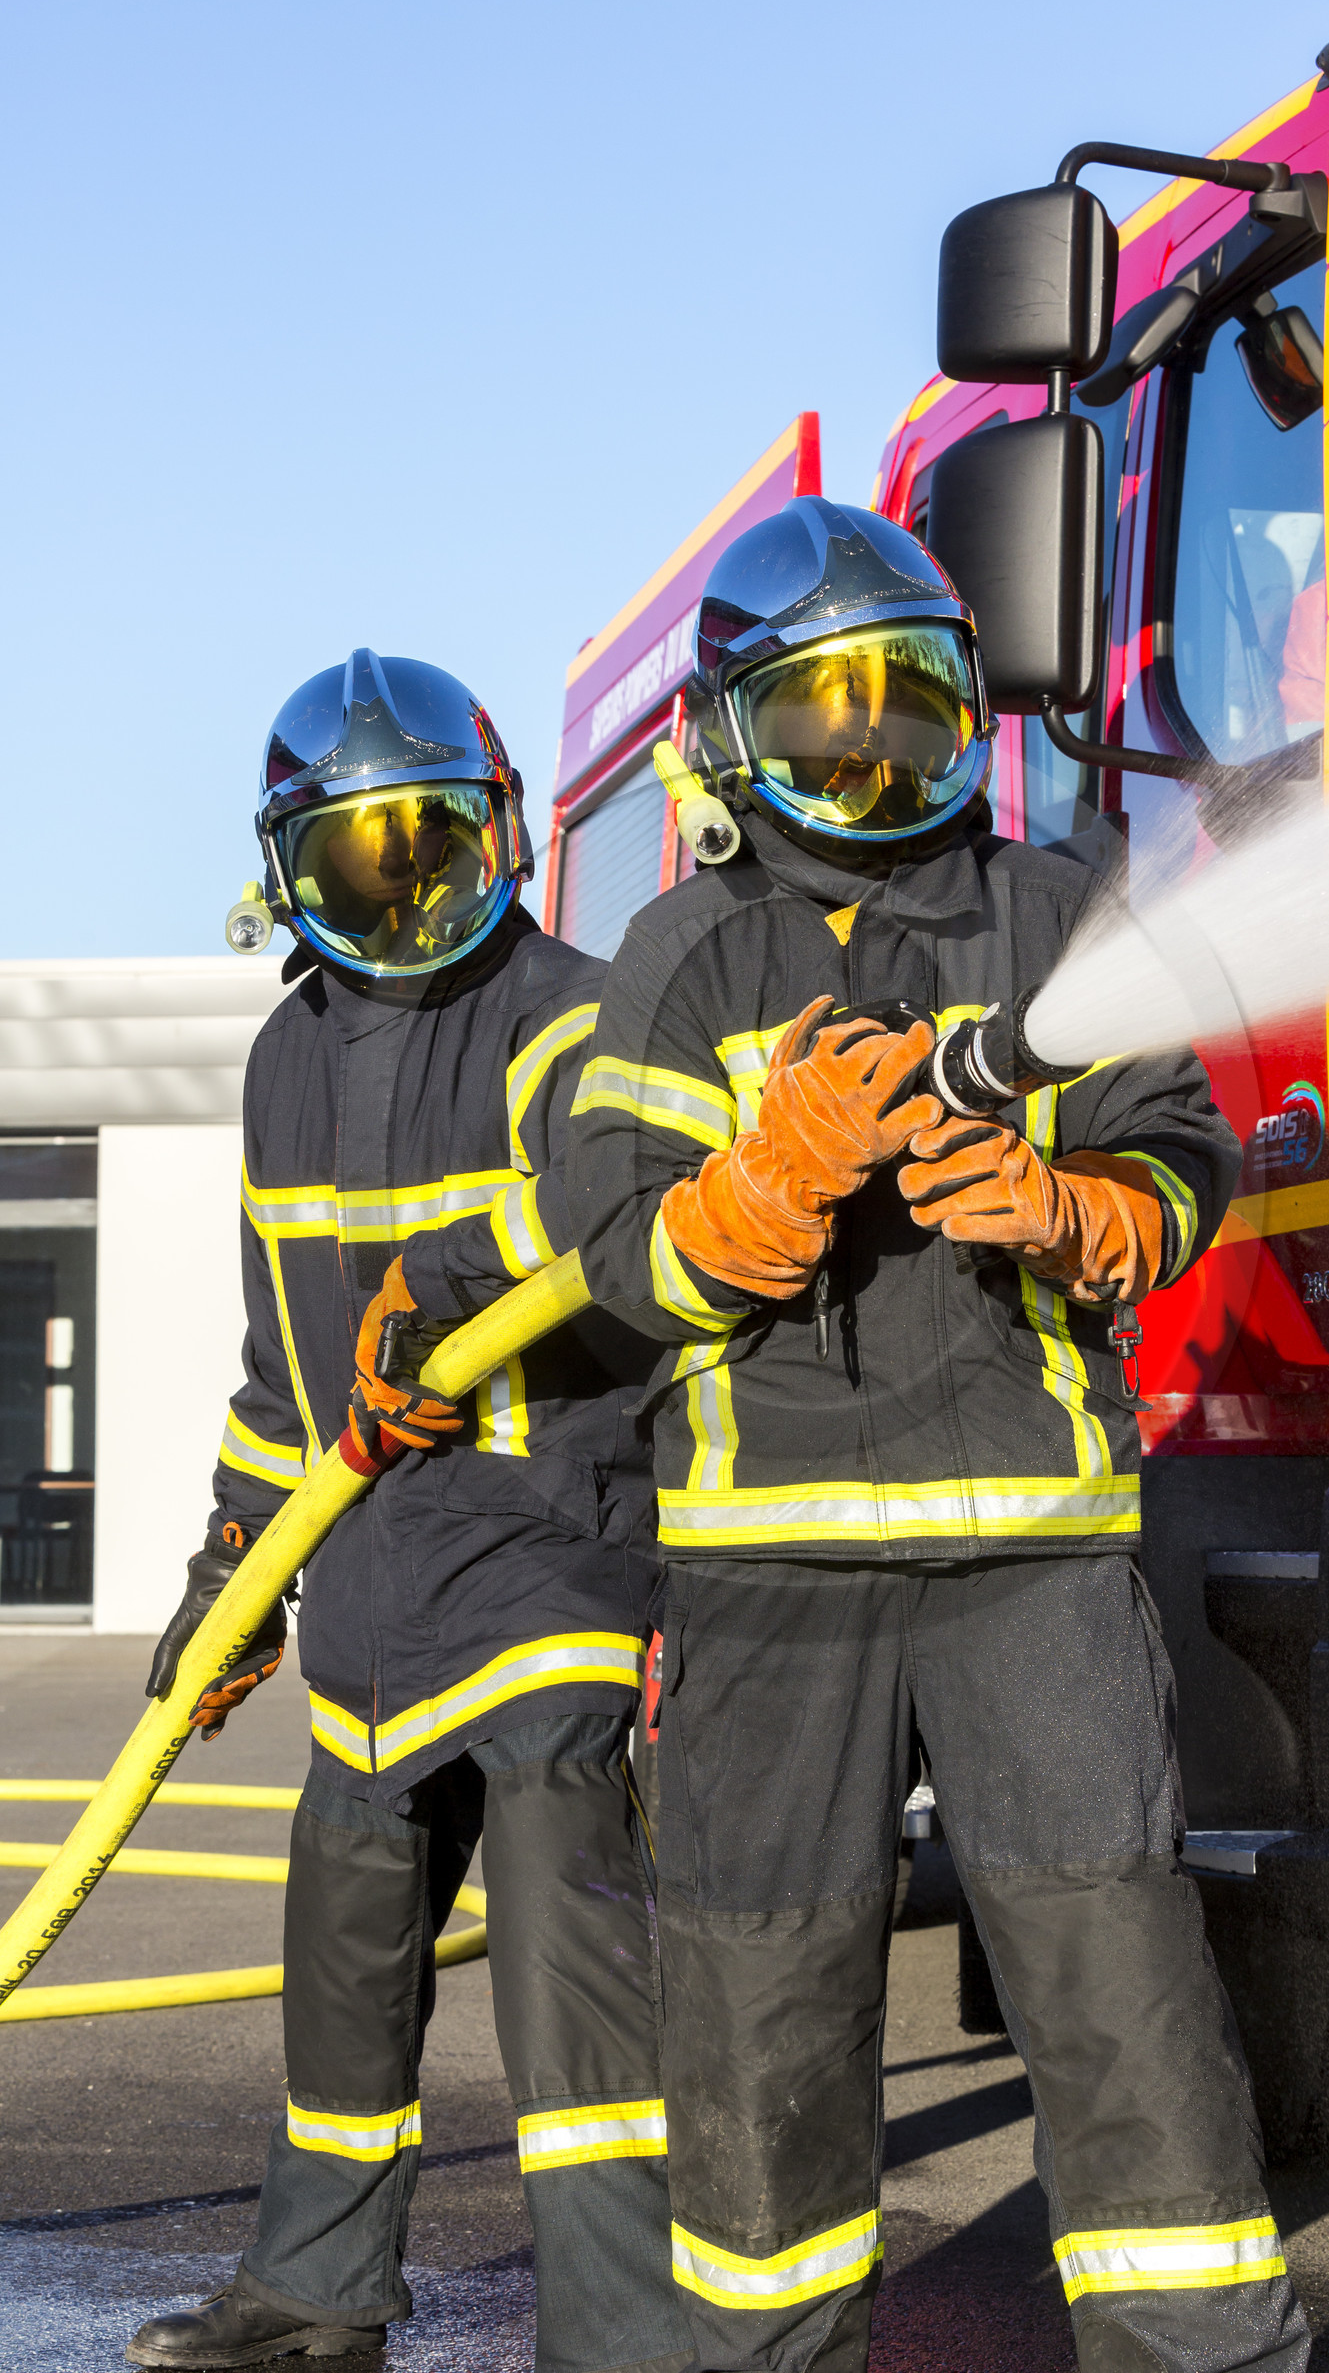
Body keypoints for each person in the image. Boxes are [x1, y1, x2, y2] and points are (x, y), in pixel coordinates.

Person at [565, 500, 1311, 2373]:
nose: (873, 754)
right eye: (828, 717)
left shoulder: (1052, 912)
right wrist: (748, 1204)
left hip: (1032, 1566)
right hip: (771, 1576)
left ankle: (1206, 2356)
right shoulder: (683, 952)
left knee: (1117, 1990)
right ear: (734, 738)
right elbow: (611, 1256)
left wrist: (1068, 1212)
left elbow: (1183, 1162)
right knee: (760, 2006)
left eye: (908, 709)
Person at [127, 650, 690, 2373]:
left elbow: (627, 1254)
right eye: (361, 861)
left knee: (564, 1974)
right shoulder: (282, 1063)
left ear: (500, 832)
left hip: (545, 1557)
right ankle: (317, 2292)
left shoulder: (579, 1014)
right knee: (343, 1947)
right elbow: (279, 1369)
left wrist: (452, 1304)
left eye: (433, 846)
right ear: (290, 873)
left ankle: (618, 2330)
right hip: (366, 1591)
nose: (405, 890)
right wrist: (233, 1567)